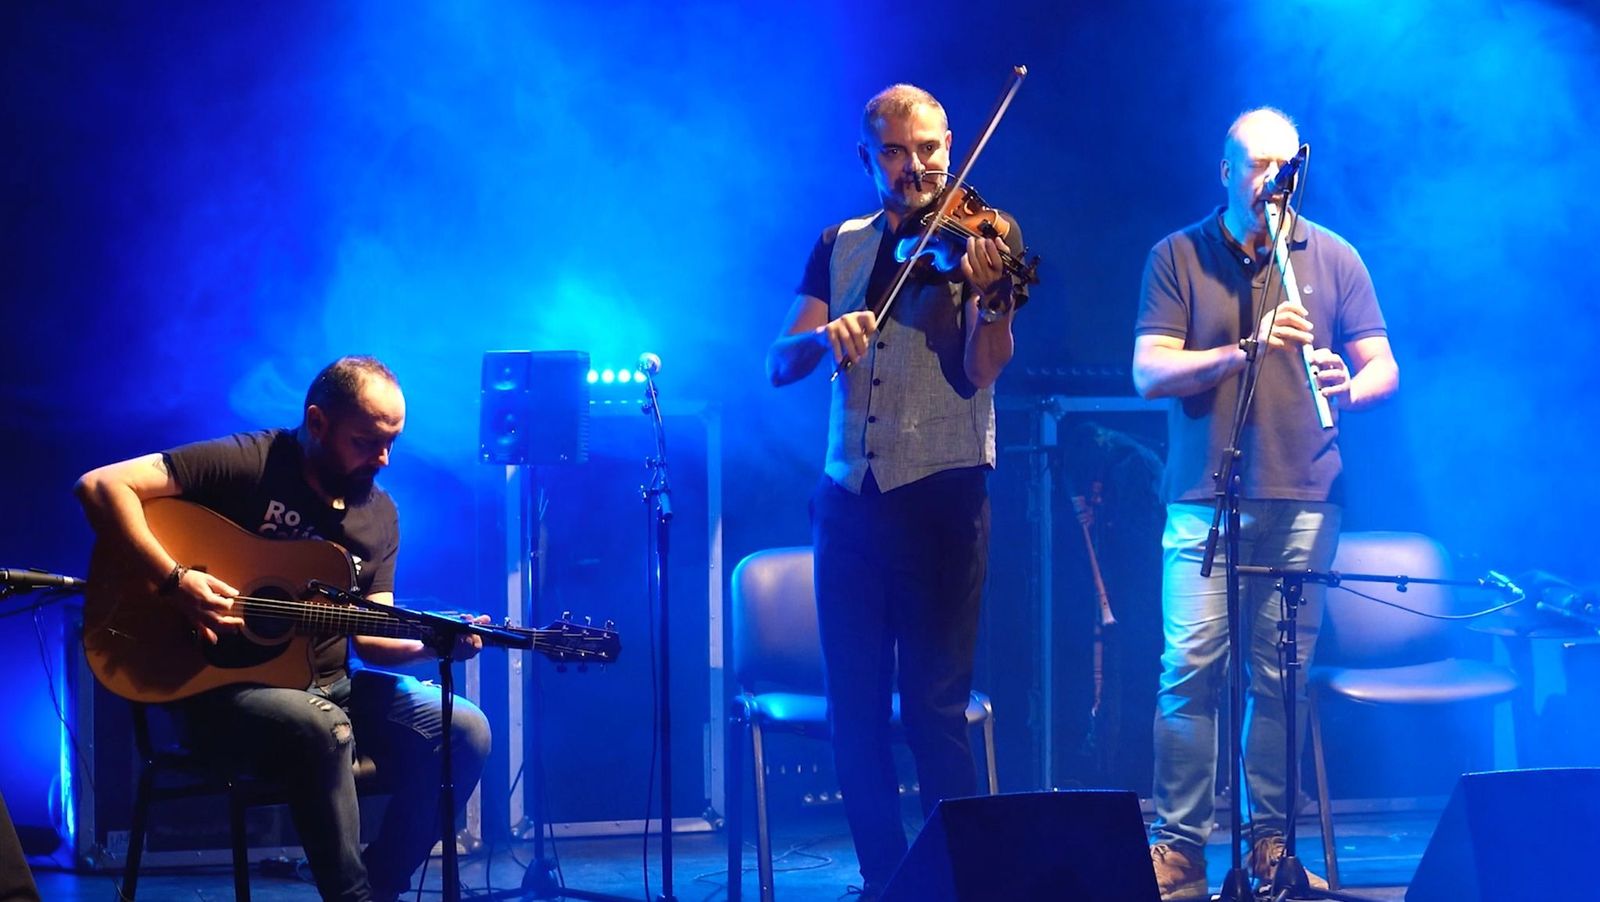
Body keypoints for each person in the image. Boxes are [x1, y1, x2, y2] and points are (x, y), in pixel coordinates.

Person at [75, 356, 492, 902]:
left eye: (391, 442)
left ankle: (382, 885)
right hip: (223, 694)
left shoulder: (379, 514)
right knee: (323, 725)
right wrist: (175, 580)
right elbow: (101, 485)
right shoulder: (252, 463)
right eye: (366, 441)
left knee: (468, 729)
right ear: (317, 422)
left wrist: (431, 643)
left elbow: (371, 637)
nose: (383, 458)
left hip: (331, 688)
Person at [1132, 107, 1399, 900]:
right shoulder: (1179, 254)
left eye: (1284, 166)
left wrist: (1356, 386)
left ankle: (1269, 851)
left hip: (1307, 498)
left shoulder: (1335, 255)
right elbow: (1148, 372)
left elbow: (1383, 362)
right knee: (1189, 673)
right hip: (1204, 501)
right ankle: (1178, 848)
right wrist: (1242, 351)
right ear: (1226, 170)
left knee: (1281, 681)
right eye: (1255, 166)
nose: (1271, 181)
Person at [766, 83, 1026, 898]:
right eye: (895, 152)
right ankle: (888, 882)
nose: (915, 168)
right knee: (854, 717)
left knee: (933, 713)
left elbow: (981, 372)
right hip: (848, 502)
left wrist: (991, 304)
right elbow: (779, 361)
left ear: (950, 148)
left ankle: (962, 884)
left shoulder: (987, 236)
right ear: (867, 157)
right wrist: (822, 338)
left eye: (929, 152)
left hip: (943, 501)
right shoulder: (837, 244)